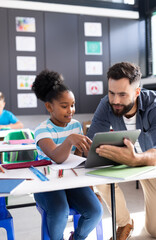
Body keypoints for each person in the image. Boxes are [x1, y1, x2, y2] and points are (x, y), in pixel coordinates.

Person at [87, 61, 156, 240]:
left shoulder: (155, 105)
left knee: (155, 232)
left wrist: (136, 159)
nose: (115, 100)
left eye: (122, 94)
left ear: (137, 92)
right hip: (128, 161)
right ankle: (124, 222)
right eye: (112, 93)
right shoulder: (107, 104)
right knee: (97, 171)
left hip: (152, 166)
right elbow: (91, 144)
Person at [32, 69, 103, 240]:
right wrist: (70, 140)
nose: (70, 110)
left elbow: (76, 160)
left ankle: (76, 238)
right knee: (59, 211)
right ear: (49, 107)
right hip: (47, 184)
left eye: (73, 105)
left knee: (95, 210)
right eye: (64, 106)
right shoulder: (42, 130)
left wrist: (89, 154)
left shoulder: (75, 126)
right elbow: (56, 156)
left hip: (71, 181)